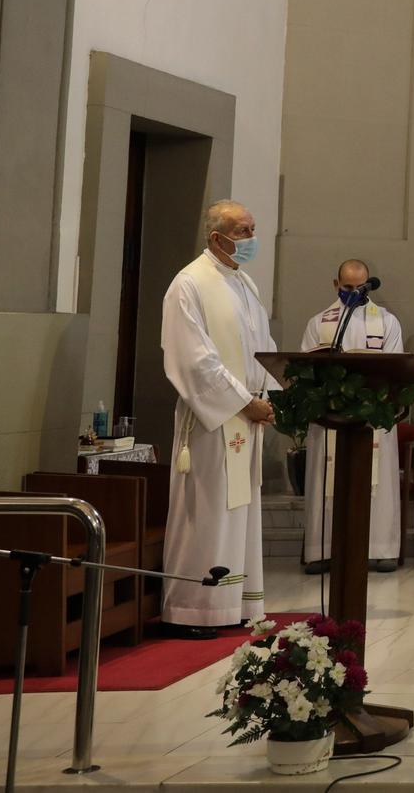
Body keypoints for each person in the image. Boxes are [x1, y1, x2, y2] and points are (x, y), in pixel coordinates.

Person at [159, 200, 276, 637]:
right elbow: (192, 358)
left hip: (246, 415)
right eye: (242, 231)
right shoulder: (189, 284)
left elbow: (259, 345)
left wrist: (271, 393)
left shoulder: (243, 283)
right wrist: (243, 401)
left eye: (251, 229)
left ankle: (234, 601)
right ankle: (195, 606)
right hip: (213, 421)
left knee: (240, 512)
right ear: (216, 238)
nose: (250, 238)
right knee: (208, 510)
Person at [298, 259, 404, 576]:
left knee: (378, 484)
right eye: (347, 287)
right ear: (336, 285)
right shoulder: (320, 322)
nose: (354, 293)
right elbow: (304, 366)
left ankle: (380, 548)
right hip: (331, 416)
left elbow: (396, 365)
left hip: (373, 416)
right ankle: (323, 549)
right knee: (326, 481)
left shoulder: (387, 322)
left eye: (360, 287)